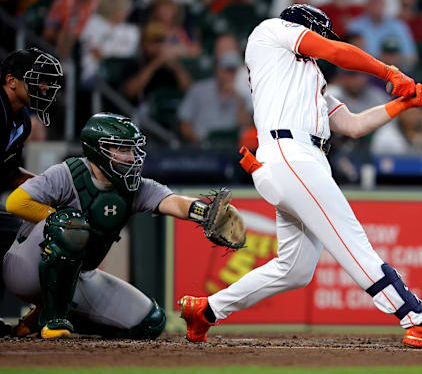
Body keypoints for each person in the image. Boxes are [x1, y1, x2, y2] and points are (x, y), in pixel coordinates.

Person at [177, 4, 422, 348]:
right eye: (319, 34)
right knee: (352, 241)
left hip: (301, 160)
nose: (322, 42)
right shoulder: (271, 31)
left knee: (295, 269)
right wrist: (390, 73)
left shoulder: (308, 81)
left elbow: (354, 125)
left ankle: (206, 310)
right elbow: (334, 50)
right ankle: (417, 320)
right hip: (290, 154)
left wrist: (406, 103)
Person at [3, 113, 243, 339]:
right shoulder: (67, 173)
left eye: (132, 149)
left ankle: (44, 315)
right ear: (98, 150)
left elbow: (174, 202)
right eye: (121, 149)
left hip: (78, 276)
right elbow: (16, 202)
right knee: (71, 224)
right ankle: (53, 320)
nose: (130, 156)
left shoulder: (135, 187)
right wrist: (58, 218)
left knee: (150, 322)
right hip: (25, 267)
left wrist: (204, 211)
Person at [0, 47, 63, 336]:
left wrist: (53, 188)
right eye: (37, 80)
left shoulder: (22, 121)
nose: (45, 87)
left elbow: (10, 173)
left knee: (13, 236)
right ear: (11, 81)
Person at [178, 42, 250, 146]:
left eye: (234, 70)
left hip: (232, 148)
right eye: (228, 70)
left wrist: (239, 96)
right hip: (202, 147)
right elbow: (184, 123)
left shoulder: (243, 93)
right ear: (218, 70)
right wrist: (197, 142)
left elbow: (246, 126)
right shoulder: (198, 89)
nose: (231, 74)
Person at [79, 0, 139, 87]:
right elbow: (94, 50)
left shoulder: (130, 29)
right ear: (113, 8)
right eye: (123, 9)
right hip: (96, 71)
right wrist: (112, 63)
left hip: (122, 73)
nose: (126, 13)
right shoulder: (94, 22)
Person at [346, 0, 417, 63]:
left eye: (379, 2)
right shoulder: (354, 26)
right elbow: (348, 55)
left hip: (393, 69)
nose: (376, 6)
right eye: (373, 2)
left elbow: (411, 56)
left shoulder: (398, 26)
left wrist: (394, 59)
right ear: (366, 5)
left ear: (385, 4)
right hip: (364, 70)